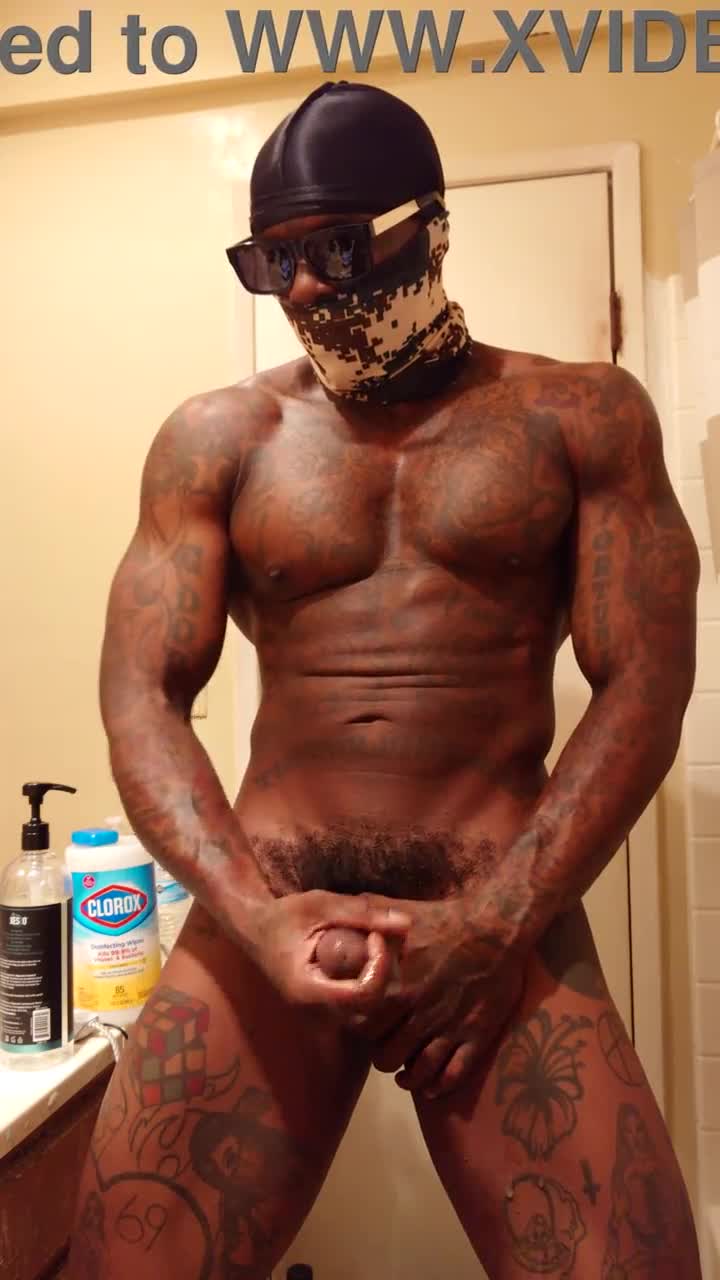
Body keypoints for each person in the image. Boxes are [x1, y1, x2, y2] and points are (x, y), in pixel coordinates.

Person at [68, 81, 702, 1279]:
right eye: (274, 259)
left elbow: (645, 685)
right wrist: (253, 915)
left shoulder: (580, 415)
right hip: (269, 903)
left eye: (340, 247)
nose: (306, 287)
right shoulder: (219, 438)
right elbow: (140, 695)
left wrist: (496, 923)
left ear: (432, 227)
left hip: (493, 909)